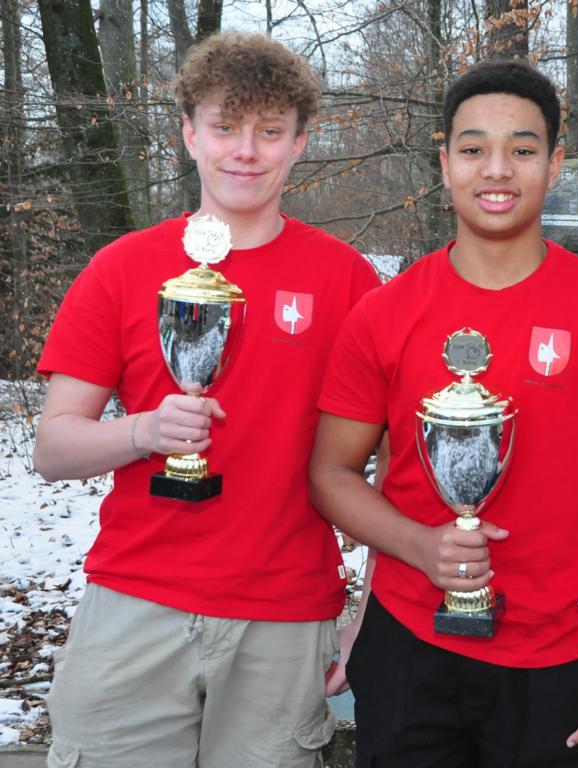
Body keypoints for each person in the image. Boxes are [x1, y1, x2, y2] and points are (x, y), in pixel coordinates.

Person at [309, 60, 578, 768]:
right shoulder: (385, 313)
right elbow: (331, 473)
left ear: (554, 164)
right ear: (445, 163)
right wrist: (419, 546)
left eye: (523, 149)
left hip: (552, 656)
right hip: (409, 643)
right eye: (474, 148)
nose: (497, 169)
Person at [33, 32, 381, 767]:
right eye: (225, 127)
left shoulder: (348, 281)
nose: (245, 151)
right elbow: (54, 447)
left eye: (269, 131)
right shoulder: (120, 268)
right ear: (190, 135)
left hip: (284, 616)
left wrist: (370, 613)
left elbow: (396, 465)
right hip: (134, 604)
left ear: (299, 143)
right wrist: (144, 431)